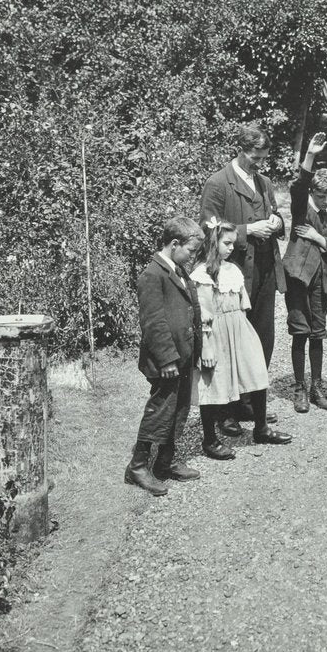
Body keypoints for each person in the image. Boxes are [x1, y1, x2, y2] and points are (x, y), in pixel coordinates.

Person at [200, 123, 284, 428]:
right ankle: (227, 410)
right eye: (254, 157)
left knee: (260, 338)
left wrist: (276, 221)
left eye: (263, 158)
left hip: (264, 270)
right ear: (240, 149)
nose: (259, 163)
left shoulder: (265, 183)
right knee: (229, 340)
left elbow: (277, 216)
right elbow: (208, 229)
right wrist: (248, 231)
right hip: (232, 274)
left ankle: (249, 402)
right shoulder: (218, 183)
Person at [191, 220, 292, 455]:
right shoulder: (203, 274)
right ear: (212, 242)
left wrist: (242, 329)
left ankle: (261, 428)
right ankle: (209, 439)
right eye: (226, 243)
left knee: (256, 369)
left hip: (238, 326)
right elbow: (202, 315)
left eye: (233, 244)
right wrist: (205, 344)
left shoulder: (233, 270)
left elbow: (242, 305)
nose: (230, 248)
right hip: (216, 331)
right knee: (213, 380)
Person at [124, 216, 204, 496]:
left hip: (183, 355)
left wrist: (194, 351)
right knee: (160, 410)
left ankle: (164, 463)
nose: (194, 257)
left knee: (179, 409)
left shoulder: (178, 270)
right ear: (173, 244)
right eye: (192, 251)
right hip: (166, 360)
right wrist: (167, 358)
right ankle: (138, 467)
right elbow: (153, 322)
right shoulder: (153, 275)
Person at [283, 132, 327, 413]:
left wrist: (319, 238)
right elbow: (298, 185)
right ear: (312, 194)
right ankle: (299, 388)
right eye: (321, 195)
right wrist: (310, 155)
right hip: (298, 280)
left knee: (317, 334)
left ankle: (317, 386)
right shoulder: (300, 209)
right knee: (300, 332)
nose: (326, 200)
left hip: (322, 282)